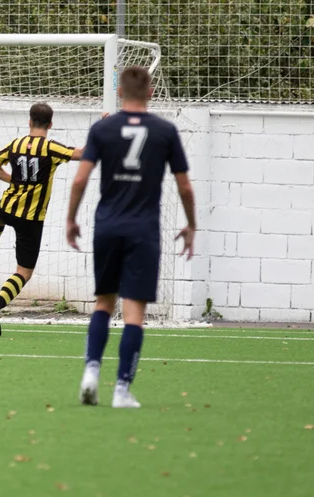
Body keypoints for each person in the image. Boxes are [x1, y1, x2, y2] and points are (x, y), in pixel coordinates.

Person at [65, 66, 196, 408]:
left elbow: (79, 180)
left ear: (120, 92)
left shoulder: (102, 128)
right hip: (143, 230)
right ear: (151, 92)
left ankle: (91, 372)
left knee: (103, 303)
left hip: (108, 226)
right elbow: (184, 186)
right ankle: (121, 390)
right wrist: (191, 224)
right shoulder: (165, 131)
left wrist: (71, 219)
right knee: (134, 312)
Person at [0, 103, 83, 336]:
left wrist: (13, 180)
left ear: (29, 122)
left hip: (9, 205)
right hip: (31, 218)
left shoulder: (15, 144)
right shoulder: (51, 148)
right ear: (50, 124)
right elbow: (82, 154)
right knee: (23, 272)